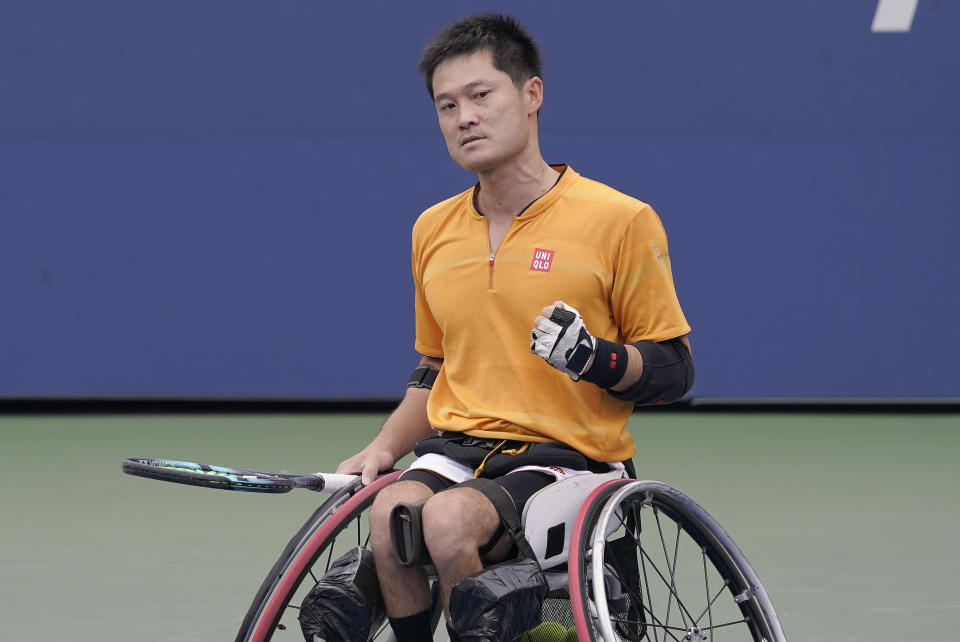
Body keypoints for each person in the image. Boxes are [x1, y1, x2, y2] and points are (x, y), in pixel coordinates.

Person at [336, 13, 693, 642]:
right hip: (461, 452)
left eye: (480, 95)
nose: (464, 117)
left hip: (572, 461)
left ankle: (529, 627)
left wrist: (592, 358)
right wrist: (385, 447)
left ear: (531, 95)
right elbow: (436, 365)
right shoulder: (432, 229)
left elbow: (673, 369)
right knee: (390, 513)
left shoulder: (621, 219)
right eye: (447, 105)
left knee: (445, 523)